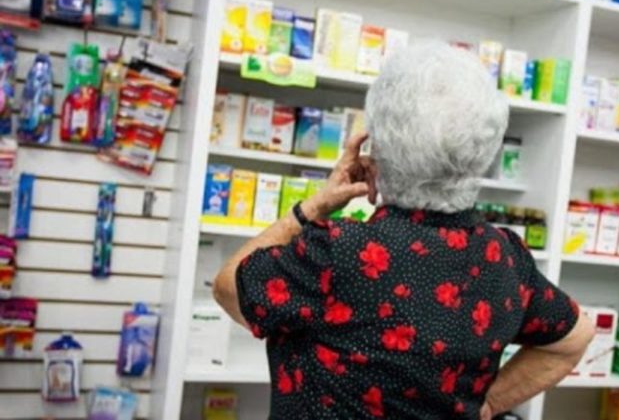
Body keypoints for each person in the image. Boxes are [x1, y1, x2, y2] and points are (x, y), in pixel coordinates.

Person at [214, 42, 594, 420]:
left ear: (378, 148)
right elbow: (574, 339)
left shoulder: (339, 252)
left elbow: (229, 288)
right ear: (485, 147)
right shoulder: (506, 257)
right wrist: (490, 403)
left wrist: (312, 207)